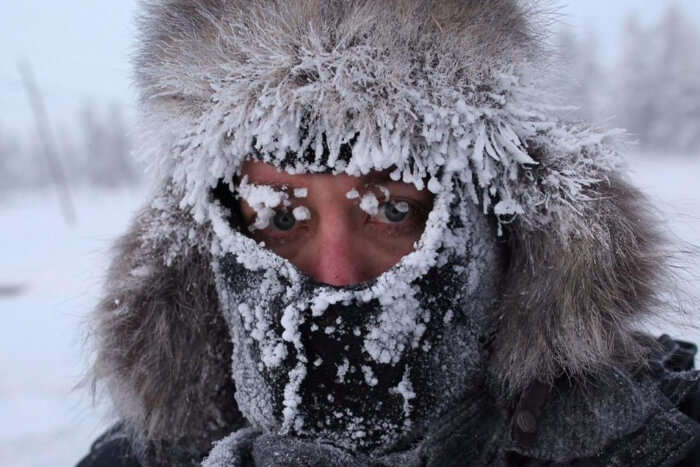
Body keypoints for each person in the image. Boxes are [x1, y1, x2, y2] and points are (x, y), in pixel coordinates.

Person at [77, 1, 700, 466]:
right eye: (281, 218)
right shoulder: (145, 456)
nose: (337, 274)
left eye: (393, 211)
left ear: (489, 219)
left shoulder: (653, 430)